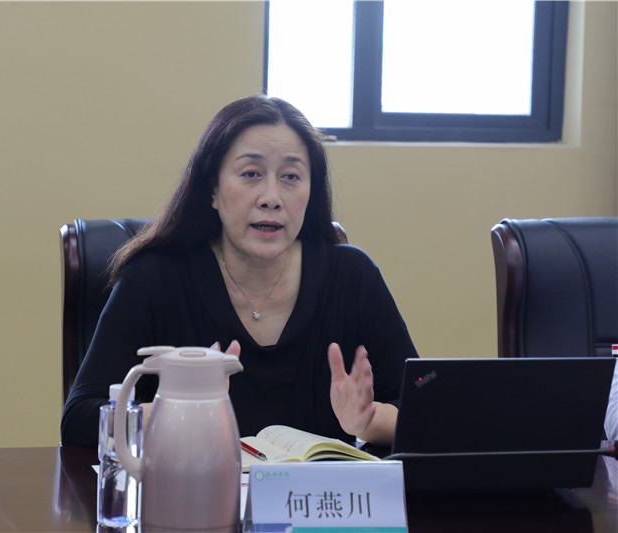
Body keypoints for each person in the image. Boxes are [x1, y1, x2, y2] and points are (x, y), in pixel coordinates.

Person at [61, 95, 418, 448]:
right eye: (251, 174)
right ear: (212, 189)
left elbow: (425, 413)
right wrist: (178, 410)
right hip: (193, 487)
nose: (271, 198)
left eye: (291, 176)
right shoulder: (154, 279)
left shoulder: (352, 277)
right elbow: (79, 419)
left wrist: (369, 422)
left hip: (314, 489)